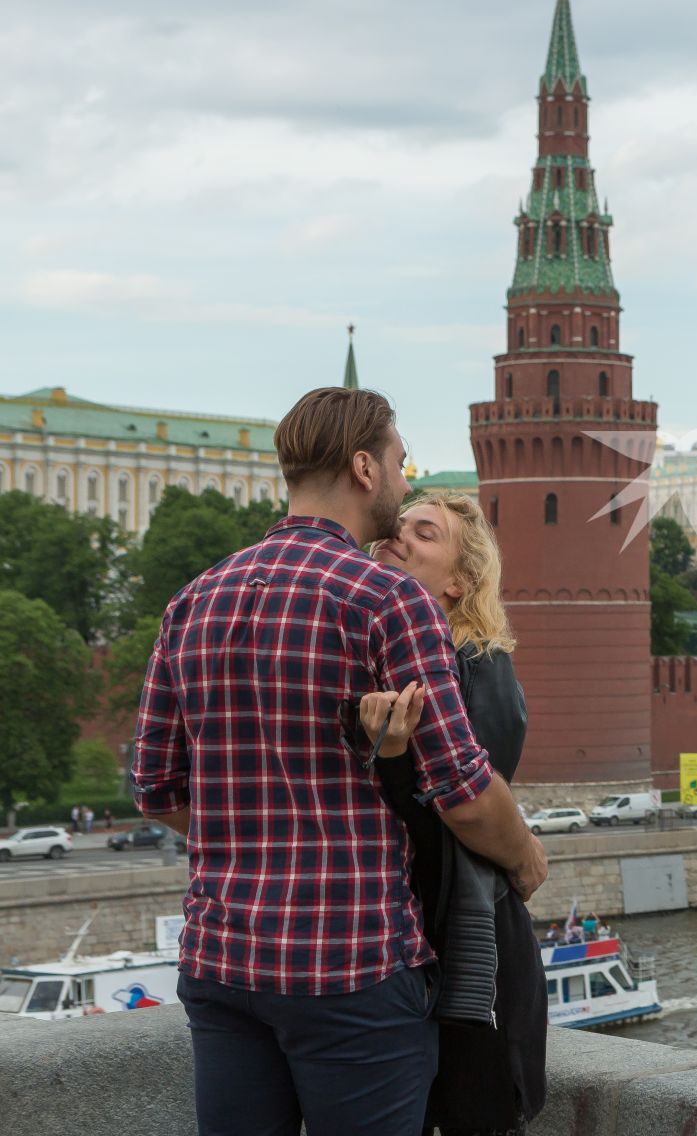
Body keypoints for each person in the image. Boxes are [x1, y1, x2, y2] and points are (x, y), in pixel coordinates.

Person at [132, 387, 548, 1136]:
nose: (401, 475)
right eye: (398, 460)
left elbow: (156, 790)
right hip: (349, 969)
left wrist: (252, 844)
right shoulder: (388, 599)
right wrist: (525, 858)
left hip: (222, 962)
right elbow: (462, 792)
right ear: (364, 467)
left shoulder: (190, 602)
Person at [360, 490, 547, 1136]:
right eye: (399, 523)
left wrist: (390, 754)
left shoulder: (482, 669)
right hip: (397, 956)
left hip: (471, 962)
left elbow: (461, 814)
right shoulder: (379, 663)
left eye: (425, 533)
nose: (399, 534)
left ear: (460, 583)